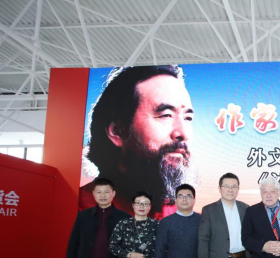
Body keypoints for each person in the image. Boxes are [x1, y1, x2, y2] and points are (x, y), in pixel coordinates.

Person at [80, 65, 197, 219]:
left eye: (188, 118)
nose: (183, 133)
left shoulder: (184, 216)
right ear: (118, 131)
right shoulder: (79, 211)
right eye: (166, 115)